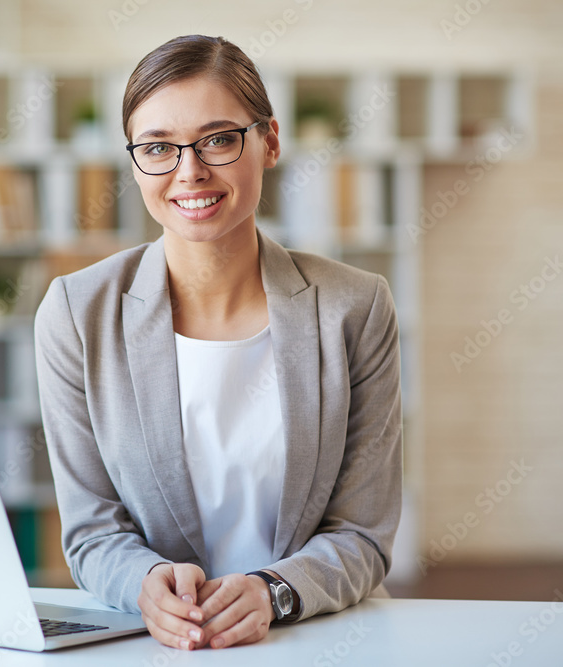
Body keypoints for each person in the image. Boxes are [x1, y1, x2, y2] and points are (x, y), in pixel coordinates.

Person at [33, 35, 402, 651]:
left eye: (219, 139)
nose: (190, 171)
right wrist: (146, 581)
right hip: (158, 645)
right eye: (158, 148)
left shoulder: (355, 308)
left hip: (319, 638)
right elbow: (93, 531)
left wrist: (274, 590)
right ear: (134, 162)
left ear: (270, 142)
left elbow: (363, 532)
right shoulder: (76, 313)